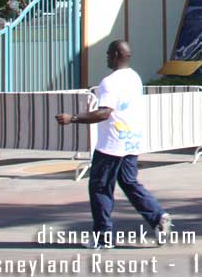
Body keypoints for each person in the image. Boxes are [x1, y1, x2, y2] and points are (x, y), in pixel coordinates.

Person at [55, 40, 172, 249]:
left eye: (109, 54)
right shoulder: (134, 77)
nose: (106, 57)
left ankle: (103, 238)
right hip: (131, 140)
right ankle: (158, 217)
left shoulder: (109, 82)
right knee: (129, 182)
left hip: (112, 144)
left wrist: (72, 118)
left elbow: (104, 112)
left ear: (117, 55)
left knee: (100, 188)